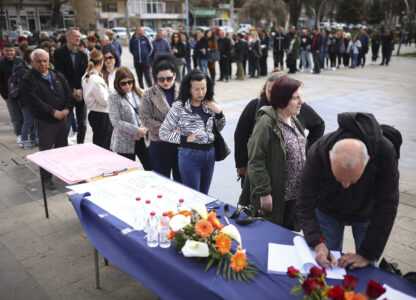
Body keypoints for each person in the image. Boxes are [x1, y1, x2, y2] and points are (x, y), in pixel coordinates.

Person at [297, 112, 399, 270]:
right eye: (339, 179)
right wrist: (317, 242)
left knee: (366, 268)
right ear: (330, 156)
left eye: (353, 180)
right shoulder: (319, 150)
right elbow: (304, 201)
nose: (345, 185)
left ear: (368, 160)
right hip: (328, 209)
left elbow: (387, 205)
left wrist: (367, 254)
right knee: (326, 264)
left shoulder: (385, 152)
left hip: (367, 211)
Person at [234, 70, 324, 187]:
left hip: (290, 180)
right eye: (268, 91)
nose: (271, 95)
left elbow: (319, 125)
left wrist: (306, 151)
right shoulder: (255, 107)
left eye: (274, 92)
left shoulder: (297, 108)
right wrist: (242, 164)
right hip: (262, 177)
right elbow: (241, 135)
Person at [238, 75, 305, 230]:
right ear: (282, 100)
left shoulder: (293, 120)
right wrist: (264, 192)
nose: (302, 101)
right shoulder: (266, 122)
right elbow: (256, 160)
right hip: (274, 199)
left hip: (293, 198)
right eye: (297, 98)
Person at [159, 70, 225, 194]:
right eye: (196, 89)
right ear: (189, 89)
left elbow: (219, 128)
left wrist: (219, 113)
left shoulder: (209, 103)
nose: (201, 93)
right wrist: (185, 138)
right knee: (194, 195)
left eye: (203, 88)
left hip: (210, 154)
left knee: (204, 195)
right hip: (190, 155)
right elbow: (163, 132)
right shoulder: (179, 107)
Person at [21, 49, 74, 190]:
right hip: (45, 122)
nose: (43, 64)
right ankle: (46, 179)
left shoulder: (57, 75)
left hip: (62, 120)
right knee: (46, 152)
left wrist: (66, 109)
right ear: (32, 62)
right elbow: (34, 100)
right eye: (39, 61)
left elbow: (68, 94)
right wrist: (52, 111)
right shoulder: (28, 79)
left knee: (62, 149)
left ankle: (62, 173)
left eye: (45, 60)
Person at [139, 54, 181, 181]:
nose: (165, 82)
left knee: (183, 183)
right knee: (161, 182)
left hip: (181, 143)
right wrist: (168, 128)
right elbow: (144, 117)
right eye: (161, 79)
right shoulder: (148, 94)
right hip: (159, 144)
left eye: (169, 78)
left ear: (174, 75)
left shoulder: (185, 90)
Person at [108, 67, 151, 169]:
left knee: (151, 168)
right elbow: (116, 121)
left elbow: (148, 115)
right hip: (124, 142)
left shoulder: (140, 92)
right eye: (123, 83)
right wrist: (136, 131)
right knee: (127, 173)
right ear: (117, 84)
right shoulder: (114, 97)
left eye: (129, 82)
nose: (127, 85)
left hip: (143, 139)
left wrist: (143, 131)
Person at [54, 28, 89, 144]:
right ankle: (63, 147)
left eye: (79, 36)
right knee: (66, 125)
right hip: (67, 95)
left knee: (83, 125)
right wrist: (73, 90)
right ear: (68, 37)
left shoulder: (83, 55)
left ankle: (80, 146)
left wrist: (81, 90)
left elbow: (86, 76)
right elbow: (59, 75)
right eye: (75, 36)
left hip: (81, 95)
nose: (78, 38)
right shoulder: (59, 53)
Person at [81, 49, 113, 150]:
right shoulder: (95, 79)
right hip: (101, 115)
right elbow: (104, 101)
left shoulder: (86, 76)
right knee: (104, 147)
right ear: (101, 62)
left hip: (96, 114)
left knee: (100, 144)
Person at [12, 48, 38, 149]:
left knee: (32, 120)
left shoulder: (31, 67)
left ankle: (33, 138)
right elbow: (26, 86)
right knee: (28, 120)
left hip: (32, 99)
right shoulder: (23, 69)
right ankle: (24, 140)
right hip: (25, 100)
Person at [0, 41, 24, 146]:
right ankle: (19, 134)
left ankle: (25, 133)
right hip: (9, 95)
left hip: (22, 94)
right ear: (3, 52)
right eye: (7, 51)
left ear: (15, 51)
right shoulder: (1, 64)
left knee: (24, 115)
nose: (9, 52)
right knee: (15, 116)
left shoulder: (20, 61)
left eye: (11, 50)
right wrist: (5, 96)